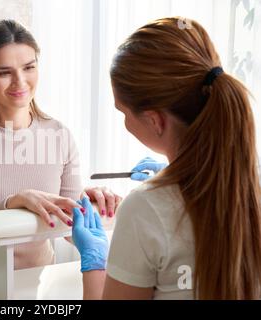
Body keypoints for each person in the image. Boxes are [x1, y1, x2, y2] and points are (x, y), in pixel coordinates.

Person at [72, 17, 261, 300]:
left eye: (123, 112)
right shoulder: (251, 185)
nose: (124, 121)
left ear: (154, 120)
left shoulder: (144, 210)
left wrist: (94, 265)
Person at [0, 20, 122, 277]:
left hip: (41, 284)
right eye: (4, 72)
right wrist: (14, 201)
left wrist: (92, 205)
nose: (20, 82)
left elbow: (69, 231)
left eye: (29, 68)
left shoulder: (59, 135)